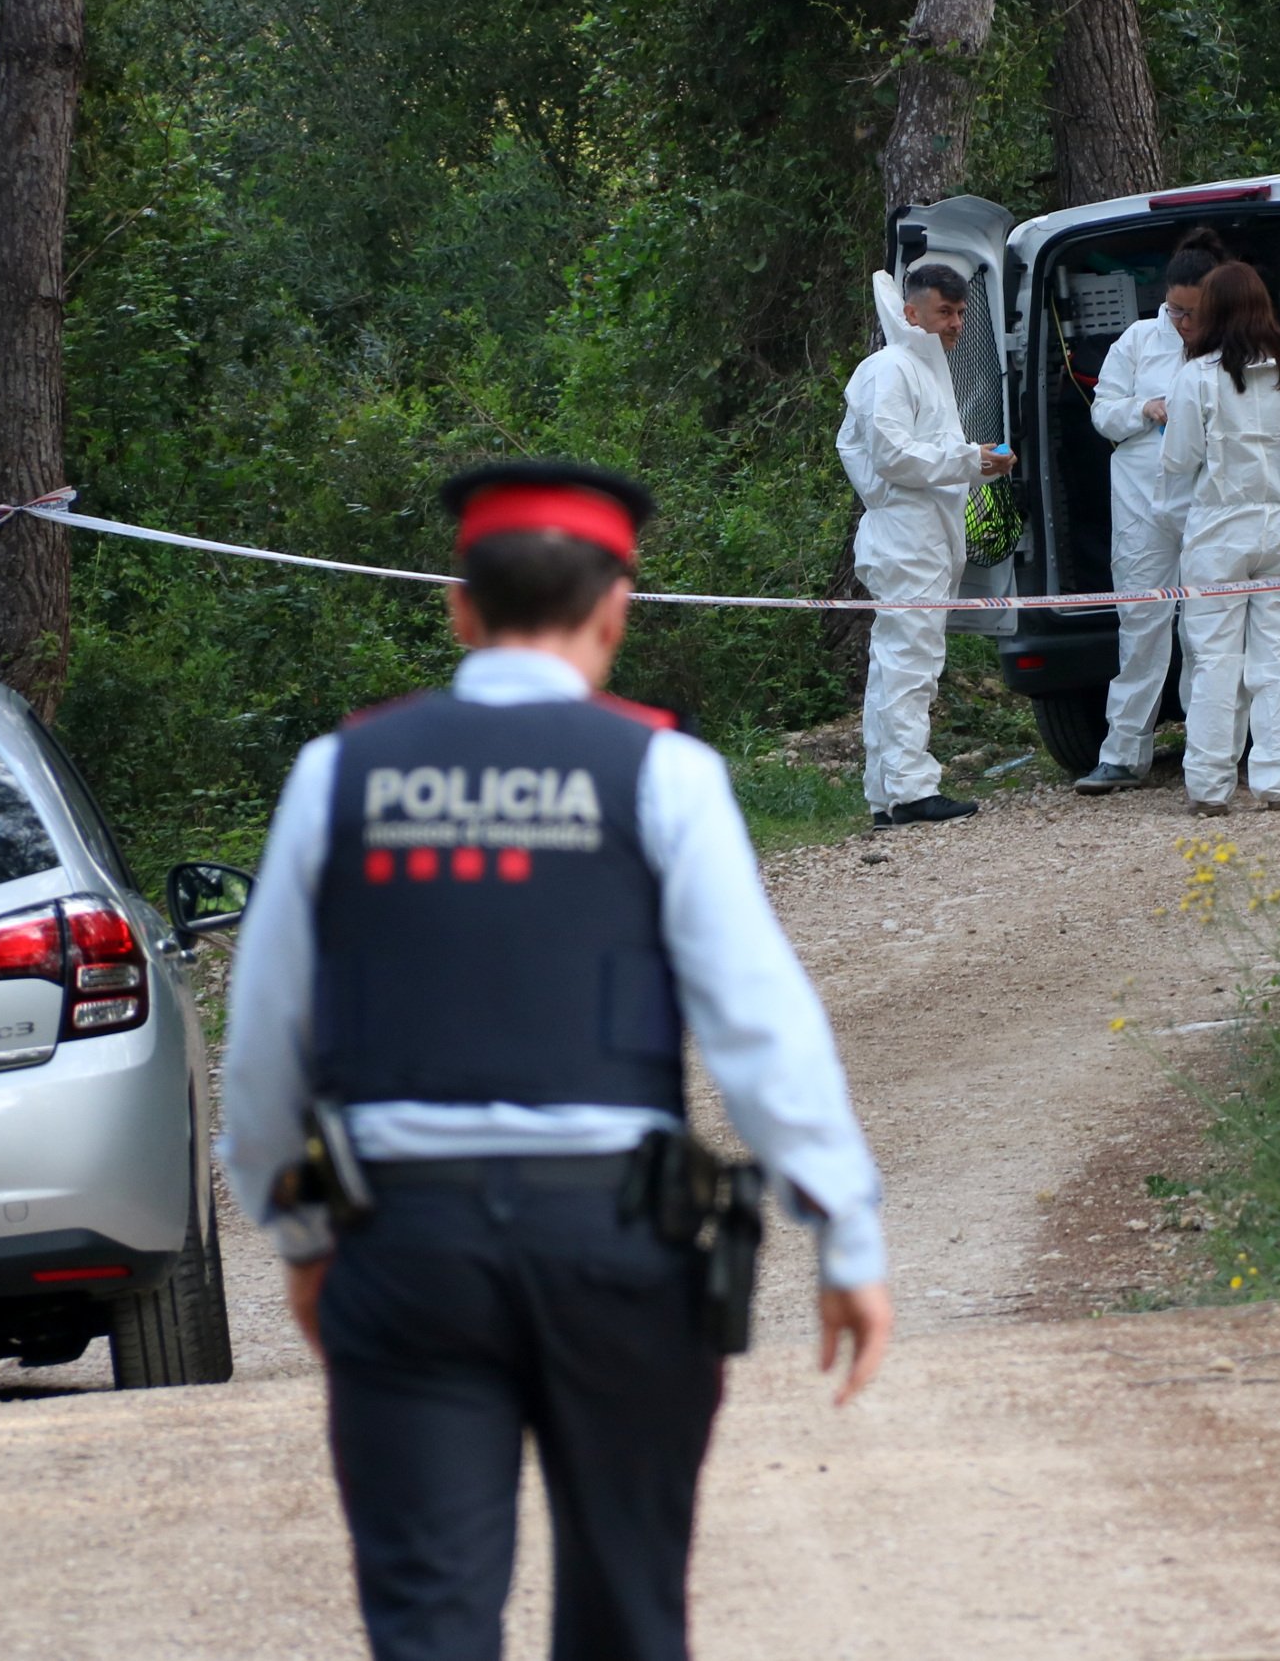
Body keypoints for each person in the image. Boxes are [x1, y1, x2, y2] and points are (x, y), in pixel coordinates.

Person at [220, 460, 895, 1661]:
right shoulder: (663, 775)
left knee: (430, 1624)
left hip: (404, 1248)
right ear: (615, 610)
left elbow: (266, 1045)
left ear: (459, 608)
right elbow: (759, 1024)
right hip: (618, 1253)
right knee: (630, 1616)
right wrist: (842, 1227)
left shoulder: (343, 773)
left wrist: (305, 1238)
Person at [836, 263, 1018, 827]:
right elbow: (892, 457)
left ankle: (887, 793)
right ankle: (912, 790)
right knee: (909, 665)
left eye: (961, 313)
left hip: (926, 538)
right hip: (904, 537)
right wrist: (969, 458)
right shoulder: (888, 369)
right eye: (945, 312)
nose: (955, 323)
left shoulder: (927, 372)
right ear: (911, 312)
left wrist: (981, 463)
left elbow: (931, 458)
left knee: (899, 665)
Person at [1161, 263, 1280, 816]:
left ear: (1211, 312)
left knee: (1215, 659)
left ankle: (1210, 787)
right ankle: (1279, 781)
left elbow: (1179, 458)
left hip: (1219, 529)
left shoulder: (1196, 378)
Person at [1072, 229, 1227, 795]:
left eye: (1195, 312)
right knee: (1141, 623)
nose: (1184, 321)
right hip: (1140, 500)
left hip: (1207, 501)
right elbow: (1103, 413)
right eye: (1176, 309)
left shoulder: (1230, 346)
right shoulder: (1138, 340)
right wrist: (1147, 407)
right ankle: (1123, 753)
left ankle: (1210, 750)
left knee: (1206, 625)